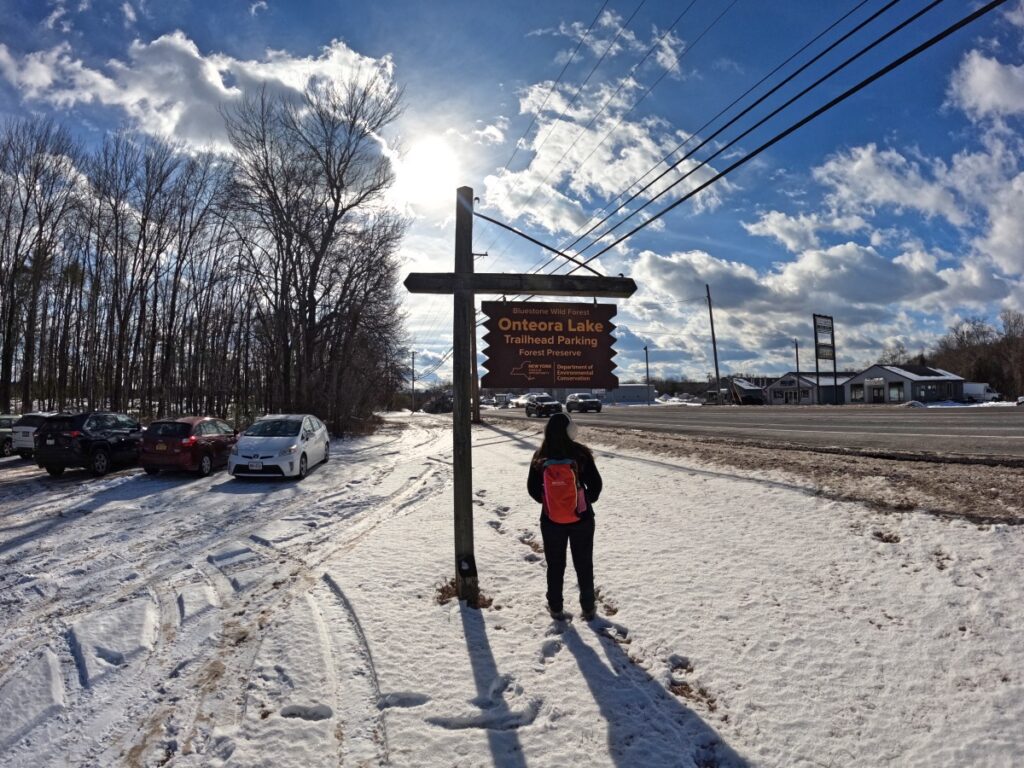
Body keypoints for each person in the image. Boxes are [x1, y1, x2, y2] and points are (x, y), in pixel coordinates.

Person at [527, 412, 603, 621]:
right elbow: (596, 486)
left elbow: (532, 490)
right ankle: (588, 607)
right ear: (571, 430)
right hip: (582, 519)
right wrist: (582, 500)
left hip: (551, 520)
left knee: (555, 564)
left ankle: (555, 607)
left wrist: (553, 502)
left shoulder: (540, 456)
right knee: (583, 562)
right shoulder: (581, 454)